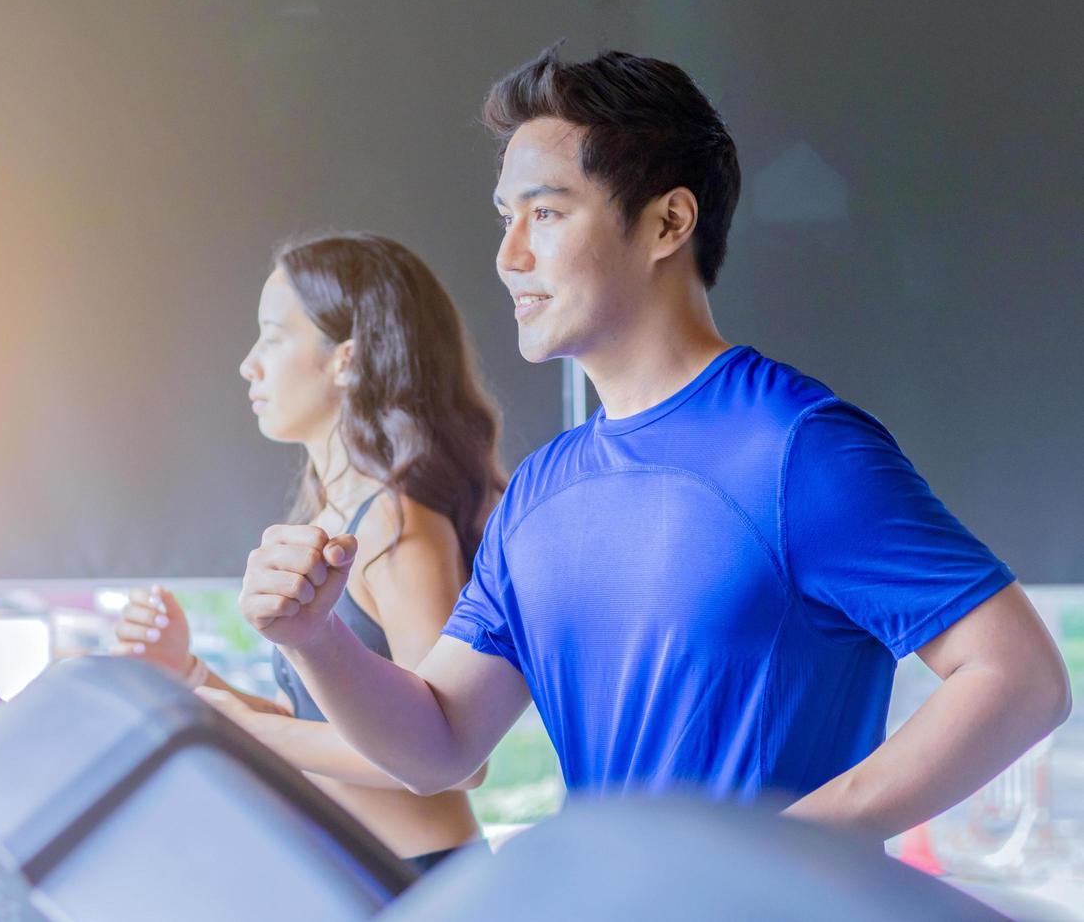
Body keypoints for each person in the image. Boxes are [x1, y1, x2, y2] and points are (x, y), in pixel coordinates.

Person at [234, 45, 1072, 841]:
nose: (508, 255)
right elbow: (442, 744)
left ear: (668, 221)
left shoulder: (797, 448)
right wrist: (317, 639)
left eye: (547, 213)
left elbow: (1019, 679)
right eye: (505, 217)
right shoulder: (540, 488)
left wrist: (781, 849)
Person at [115, 232, 505, 870]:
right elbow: (319, 725)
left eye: (271, 335)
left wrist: (252, 729)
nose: (249, 363)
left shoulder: (397, 524)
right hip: (359, 878)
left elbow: (456, 760)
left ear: (345, 359)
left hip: (423, 881)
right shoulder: (333, 517)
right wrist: (190, 674)